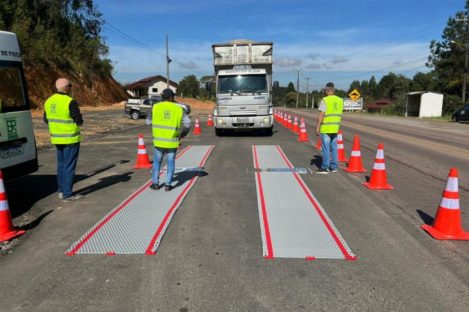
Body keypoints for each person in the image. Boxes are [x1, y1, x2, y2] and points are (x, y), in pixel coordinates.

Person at [44, 78, 84, 201]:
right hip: (70, 139)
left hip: (57, 138)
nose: (70, 88)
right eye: (70, 86)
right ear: (66, 88)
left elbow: (46, 119)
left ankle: (61, 190)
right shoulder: (70, 101)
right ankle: (67, 194)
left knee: (61, 165)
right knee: (69, 166)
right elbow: (79, 121)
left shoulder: (48, 101)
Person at [149, 88, 190, 191]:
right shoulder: (178, 109)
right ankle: (168, 185)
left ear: (162, 97)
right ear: (171, 97)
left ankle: (155, 184)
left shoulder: (155, 107)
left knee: (157, 162)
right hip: (172, 142)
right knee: (170, 162)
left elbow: (148, 122)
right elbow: (187, 123)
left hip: (159, 141)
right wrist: (182, 134)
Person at [315, 82, 343, 174]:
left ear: (327, 90)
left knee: (326, 148)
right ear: (333, 90)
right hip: (335, 127)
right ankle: (334, 167)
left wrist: (318, 127)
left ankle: (325, 167)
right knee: (334, 148)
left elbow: (321, 115)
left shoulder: (325, 100)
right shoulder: (340, 100)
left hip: (326, 128)